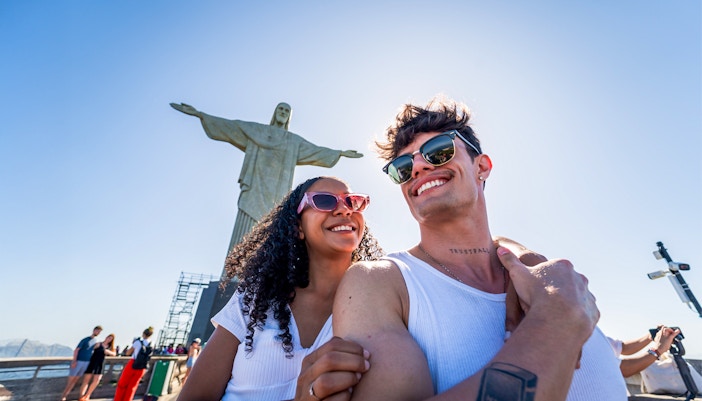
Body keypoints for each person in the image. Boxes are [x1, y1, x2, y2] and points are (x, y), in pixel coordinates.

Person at [332, 97, 628, 400]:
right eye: (402, 168)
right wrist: (555, 322)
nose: (417, 167)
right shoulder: (380, 282)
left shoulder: (552, 276)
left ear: (482, 167)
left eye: (439, 151)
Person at [177, 176, 383, 401]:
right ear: (298, 227)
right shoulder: (255, 298)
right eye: (324, 201)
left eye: (353, 201)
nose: (345, 209)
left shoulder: (381, 303)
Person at [170, 102, 364, 252]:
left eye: (286, 110)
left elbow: (315, 150)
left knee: (272, 228)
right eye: (280, 109)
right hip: (254, 190)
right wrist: (200, 115)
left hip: (276, 195)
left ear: (289, 116)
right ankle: (233, 277)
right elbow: (231, 127)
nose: (283, 112)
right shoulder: (257, 131)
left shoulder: (292, 141)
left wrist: (340, 153)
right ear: (275, 112)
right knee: (246, 229)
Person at [608, 326, 681, 378]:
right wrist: (657, 350)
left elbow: (623, 348)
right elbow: (623, 369)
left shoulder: (600, 336)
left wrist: (652, 335)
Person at [60, 325, 102, 401]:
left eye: (99, 331)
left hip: (87, 363)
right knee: (71, 380)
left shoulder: (96, 342)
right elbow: (76, 350)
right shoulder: (85, 340)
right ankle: (63, 396)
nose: (98, 332)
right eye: (97, 330)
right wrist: (74, 361)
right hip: (79, 361)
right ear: (94, 330)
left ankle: (67, 396)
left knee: (76, 380)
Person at [114, 326, 154, 401]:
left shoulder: (138, 342)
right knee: (132, 387)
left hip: (133, 363)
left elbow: (128, 353)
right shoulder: (151, 344)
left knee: (122, 384)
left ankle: (118, 399)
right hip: (142, 367)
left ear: (143, 334)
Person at [78, 333, 117, 401]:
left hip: (100, 364)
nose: (108, 339)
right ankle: (81, 396)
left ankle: (87, 395)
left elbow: (114, 354)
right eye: (108, 337)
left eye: (110, 339)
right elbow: (90, 349)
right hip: (93, 362)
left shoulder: (110, 347)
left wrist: (108, 352)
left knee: (97, 380)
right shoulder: (99, 344)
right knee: (86, 380)